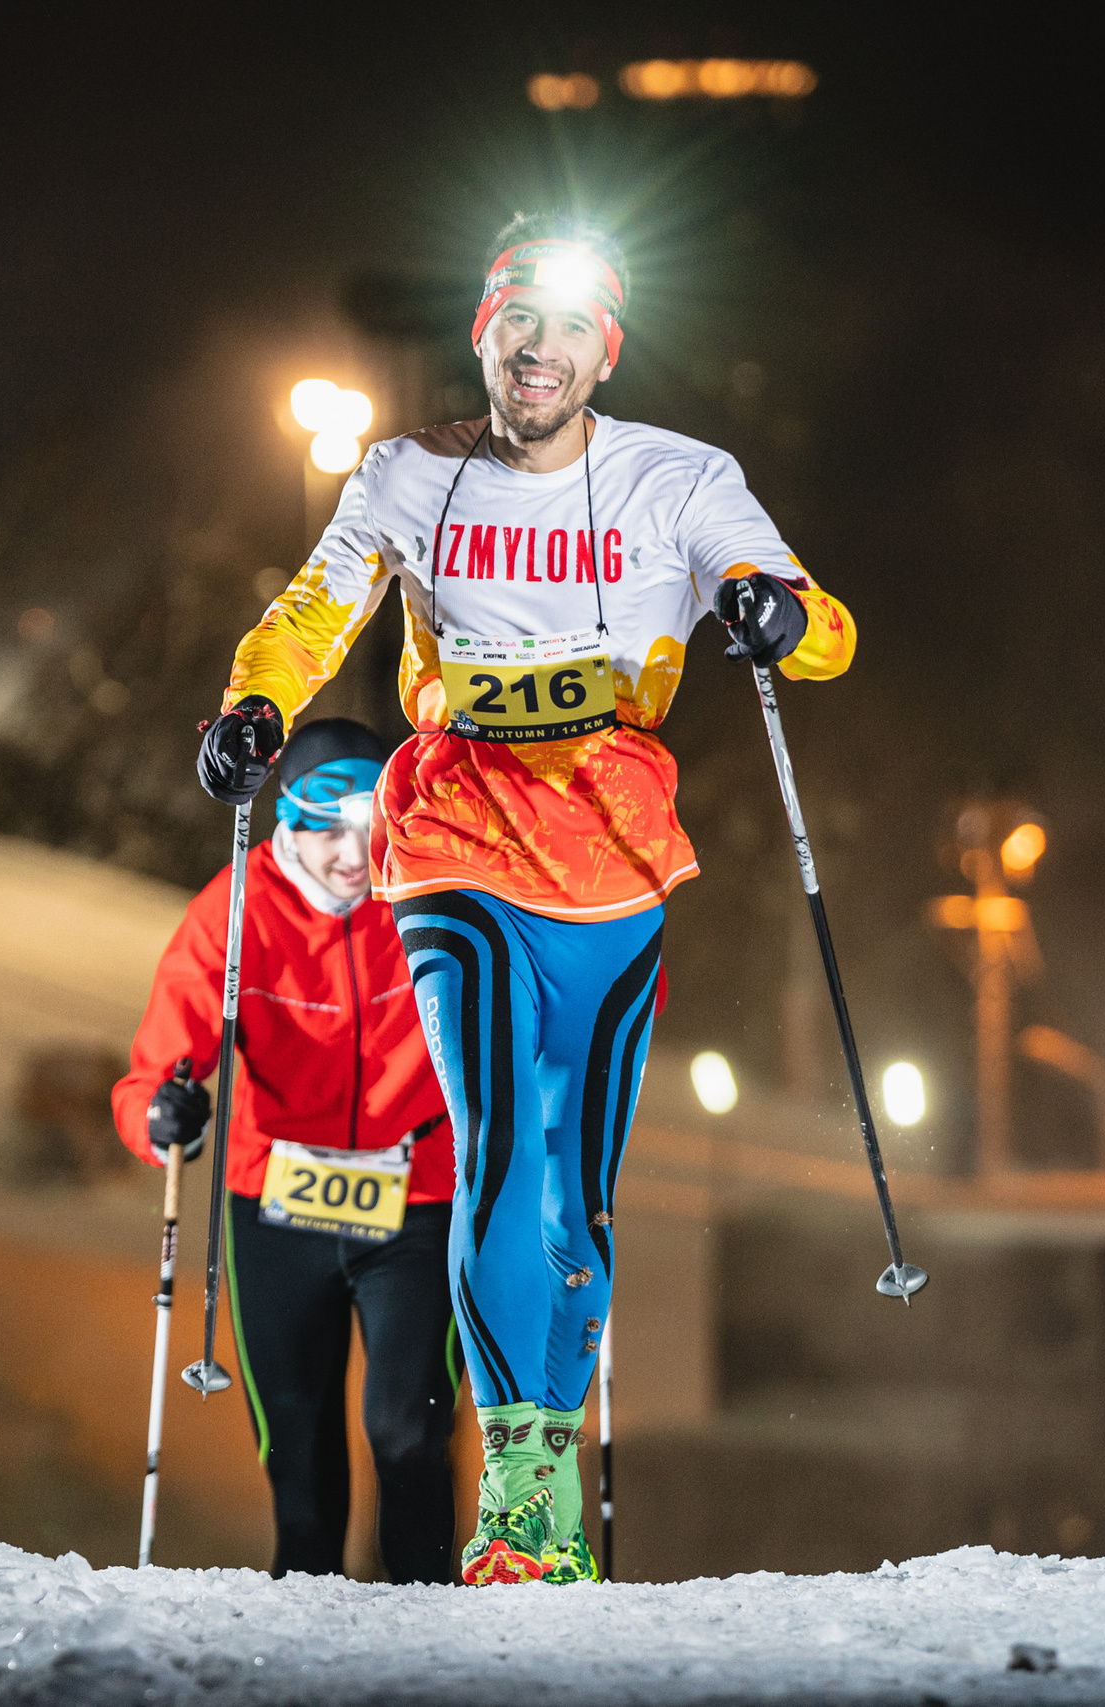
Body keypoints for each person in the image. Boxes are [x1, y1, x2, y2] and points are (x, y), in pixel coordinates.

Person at [194, 212, 858, 1584]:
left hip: (614, 847)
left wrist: (775, 614)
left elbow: (817, 617)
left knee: (575, 1189)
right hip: (454, 834)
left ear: (603, 348)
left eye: (568, 329)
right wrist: (254, 704)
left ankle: (551, 1478)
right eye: (516, 323)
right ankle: (520, 1492)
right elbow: (315, 607)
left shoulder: (679, 476)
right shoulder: (409, 471)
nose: (537, 352)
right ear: (482, 333)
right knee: (501, 1141)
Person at [113, 718, 459, 1583]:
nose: (352, 851)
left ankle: (433, 1629)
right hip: (276, 1203)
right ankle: (307, 1652)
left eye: (369, 824)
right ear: (285, 821)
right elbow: (153, 1072)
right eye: (324, 824)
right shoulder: (234, 910)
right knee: (299, 1464)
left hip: (416, 1196)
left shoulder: (432, 892)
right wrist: (162, 1114)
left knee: (408, 1430)